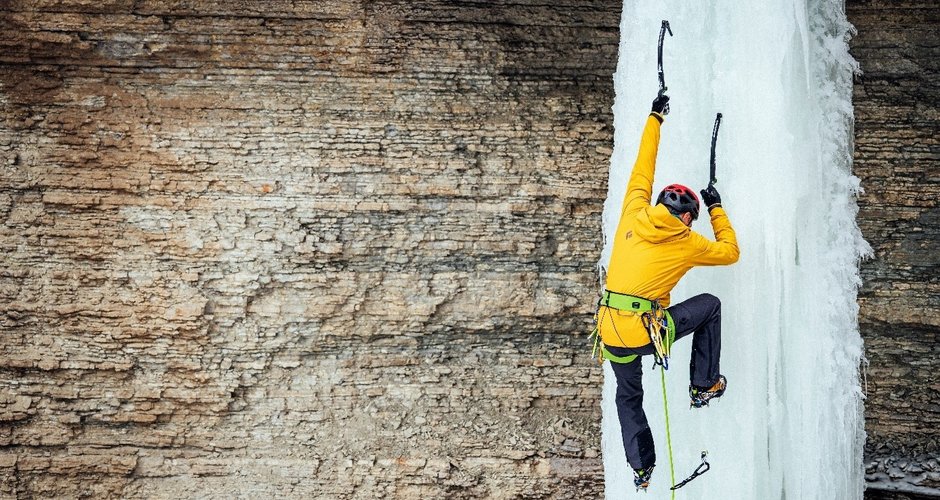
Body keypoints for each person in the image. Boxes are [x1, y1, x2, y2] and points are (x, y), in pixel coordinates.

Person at [594, 93, 740, 490]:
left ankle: (642, 469)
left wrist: (655, 116)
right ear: (688, 217)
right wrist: (717, 207)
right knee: (710, 305)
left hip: (609, 330)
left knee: (628, 397)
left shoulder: (633, 210)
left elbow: (643, 165)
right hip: (645, 330)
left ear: (659, 202)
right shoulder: (688, 241)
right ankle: (703, 385)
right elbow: (731, 253)